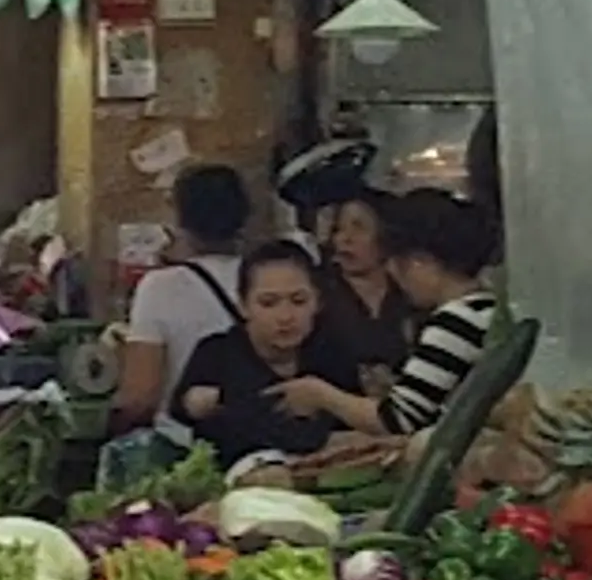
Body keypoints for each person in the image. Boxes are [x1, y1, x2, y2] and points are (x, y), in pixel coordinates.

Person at [271, 189, 501, 440]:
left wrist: (320, 395)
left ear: (420, 262)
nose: (392, 272)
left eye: (396, 262)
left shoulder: (454, 321)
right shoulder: (485, 306)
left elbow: (398, 419)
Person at [174, 242, 369, 462]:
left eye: (298, 301)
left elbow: (357, 424)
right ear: (243, 306)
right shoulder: (216, 354)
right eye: (269, 303)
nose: (285, 316)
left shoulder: (333, 352)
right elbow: (190, 409)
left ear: (318, 302)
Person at [119, 164, 255, 440]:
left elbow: (140, 399)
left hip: (184, 446)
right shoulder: (269, 279)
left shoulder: (159, 287)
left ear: (180, 219)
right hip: (257, 439)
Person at [312, 189, 420, 390]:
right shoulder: (318, 291)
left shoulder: (409, 292)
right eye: (338, 229)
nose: (345, 238)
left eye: (358, 228)